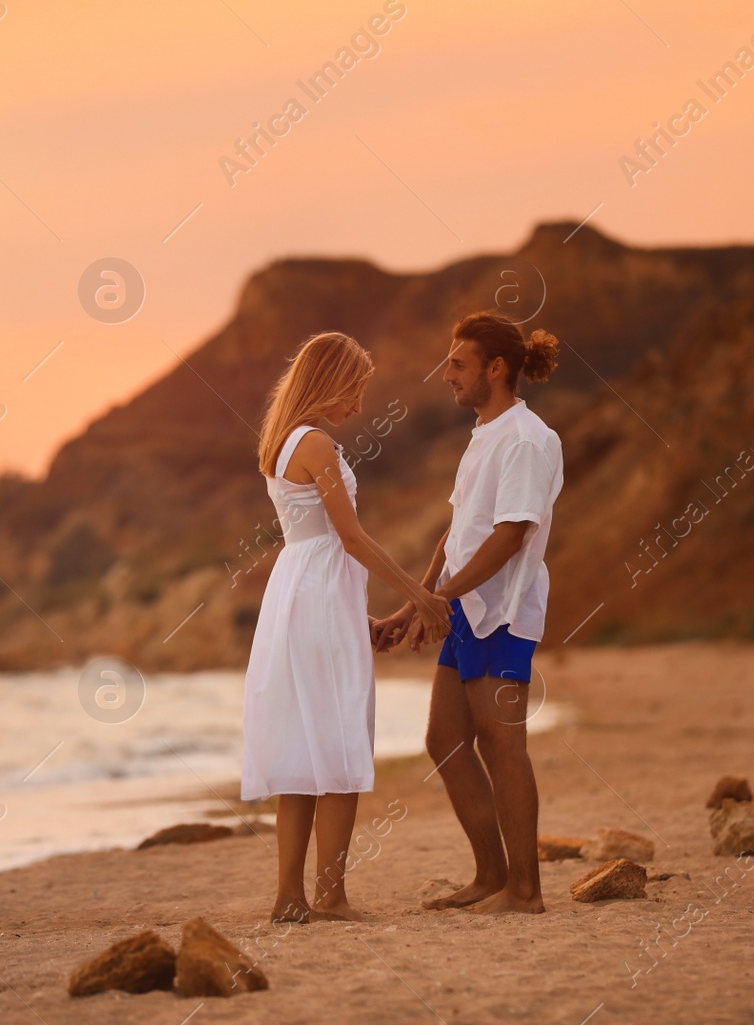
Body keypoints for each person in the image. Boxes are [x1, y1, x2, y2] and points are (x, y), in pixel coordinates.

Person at [241, 332, 452, 924]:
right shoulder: (318, 444)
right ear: (329, 383)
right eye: (354, 391)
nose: (358, 406)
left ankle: (289, 896)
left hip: (301, 595)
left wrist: (358, 618)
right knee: (335, 742)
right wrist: (421, 597)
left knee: (303, 747)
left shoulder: (282, 444)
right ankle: (329, 896)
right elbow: (350, 539)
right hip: (317, 595)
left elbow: (317, 547)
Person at [374, 311, 563, 914]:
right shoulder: (484, 434)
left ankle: (525, 891)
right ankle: (490, 876)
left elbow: (510, 535)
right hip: (464, 609)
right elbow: (456, 533)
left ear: (496, 368)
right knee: (446, 740)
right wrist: (415, 605)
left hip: (504, 611)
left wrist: (440, 598)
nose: (446, 374)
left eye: (458, 363)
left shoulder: (529, 440)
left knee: (503, 746)